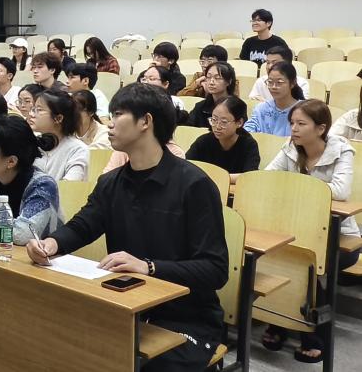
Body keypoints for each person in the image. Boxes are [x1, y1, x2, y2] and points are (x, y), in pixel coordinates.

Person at [27, 83, 229, 371]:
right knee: (60, 340)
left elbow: (215, 269)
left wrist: (148, 267)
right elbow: (84, 225)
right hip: (125, 303)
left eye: (118, 114)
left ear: (146, 121)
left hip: (185, 316)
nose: (109, 124)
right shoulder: (111, 182)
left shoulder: (194, 185)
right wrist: (52, 244)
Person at [262, 99, 358, 363]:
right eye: (292, 123)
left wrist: (296, 187)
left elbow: (341, 191)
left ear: (321, 128)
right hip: (299, 229)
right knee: (283, 257)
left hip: (339, 235)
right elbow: (268, 178)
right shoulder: (290, 148)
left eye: (301, 124)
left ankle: (312, 335)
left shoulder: (341, 150)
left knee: (308, 265)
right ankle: (280, 321)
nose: (293, 129)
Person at [185, 97, 260, 181]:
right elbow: (187, 166)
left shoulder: (249, 145)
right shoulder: (203, 141)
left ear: (239, 122)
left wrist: (216, 178)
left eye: (224, 122)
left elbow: (249, 176)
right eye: (214, 120)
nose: (217, 126)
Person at [31, 90, 89, 181]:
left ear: (58, 118)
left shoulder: (78, 150)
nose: (31, 114)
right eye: (33, 109)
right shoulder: (31, 142)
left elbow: (70, 185)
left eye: (39, 110)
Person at [244, 61, 304, 136]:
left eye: (279, 82)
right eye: (270, 82)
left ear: (293, 83)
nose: (273, 87)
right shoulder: (261, 109)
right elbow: (247, 132)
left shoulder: (303, 110)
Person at [185, 62, 237, 129]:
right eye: (208, 77)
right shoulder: (200, 106)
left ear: (229, 81)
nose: (211, 82)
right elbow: (188, 128)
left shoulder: (237, 107)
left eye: (217, 78)